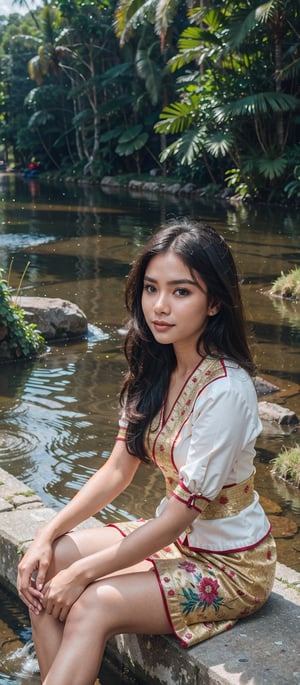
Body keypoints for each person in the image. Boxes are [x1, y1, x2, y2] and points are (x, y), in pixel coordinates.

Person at [17, 219, 276, 685]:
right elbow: (118, 470)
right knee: (45, 567)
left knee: (90, 604)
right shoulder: (154, 367)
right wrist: (44, 536)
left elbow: (177, 517)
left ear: (214, 301)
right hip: (176, 542)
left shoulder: (226, 391)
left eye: (181, 292)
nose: (160, 306)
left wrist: (85, 575)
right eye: (151, 288)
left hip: (231, 563)